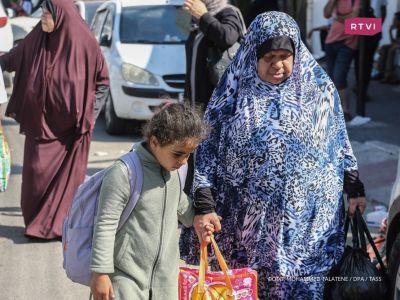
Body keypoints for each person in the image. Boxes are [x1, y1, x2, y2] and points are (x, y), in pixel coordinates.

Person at [180, 11, 367, 299]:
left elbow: (340, 143)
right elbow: (206, 151)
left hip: (305, 234)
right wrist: (204, 205)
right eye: (268, 57)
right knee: (246, 289)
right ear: (253, 54)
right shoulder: (232, 94)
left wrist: (354, 187)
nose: (277, 64)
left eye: (284, 55)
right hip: (245, 233)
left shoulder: (319, 90)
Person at [0, 0, 109, 239]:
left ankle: (57, 227)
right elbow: (11, 59)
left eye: (47, 13)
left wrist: (90, 116)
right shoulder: (38, 38)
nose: (43, 17)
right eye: (42, 13)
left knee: (66, 184)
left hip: (72, 131)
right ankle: (36, 224)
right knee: (34, 179)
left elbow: (103, 82)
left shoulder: (85, 43)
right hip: (40, 126)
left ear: (61, 15)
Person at [89, 103, 213, 300]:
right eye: (178, 153)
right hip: (125, 279)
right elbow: (105, 225)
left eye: (189, 155)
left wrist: (200, 219)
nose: (183, 161)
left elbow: (181, 206)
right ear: (154, 142)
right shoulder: (123, 173)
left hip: (165, 282)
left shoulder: (173, 171)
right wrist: (100, 273)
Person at [183, 0, 244, 111]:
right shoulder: (196, 22)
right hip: (195, 105)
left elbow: (227, 37)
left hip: (219, 106)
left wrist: (203, 15)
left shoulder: (227, 12)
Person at [324, 0, 360, 121]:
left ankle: (345, 111)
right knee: (331, 79)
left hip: (347, 44)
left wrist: (338, 17)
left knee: (339, 78)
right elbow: (326, 13)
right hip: (330, 42)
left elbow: (354, 17)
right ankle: (333, 109)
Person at [354, 0, 387, 101]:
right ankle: (359, 87)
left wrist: (379, 25)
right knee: (358, 58)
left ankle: (362, 89)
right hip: (359, 23)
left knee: (367, 61)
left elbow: (383, 9)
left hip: (372, 23)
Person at [372, 12, 400, 84]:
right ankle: (381, 72)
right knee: (384, 48)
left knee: (391, 50)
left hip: (397, 46)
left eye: (395, 20)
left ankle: (389, 75)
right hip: (396, 45)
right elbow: (394, 42)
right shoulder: (398, 29)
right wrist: (390, 31)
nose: (393, 21)